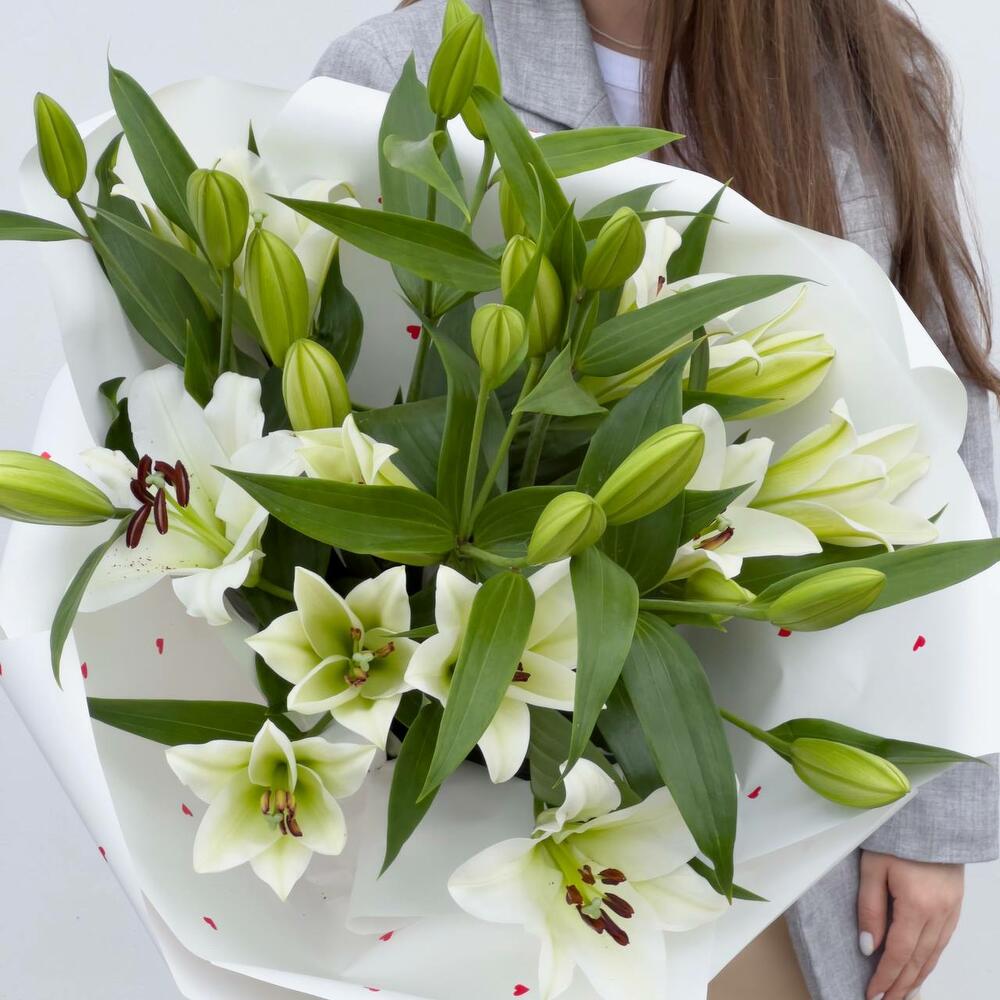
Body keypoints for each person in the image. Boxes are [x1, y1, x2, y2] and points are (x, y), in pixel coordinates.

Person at [313, 2, 1000, 998]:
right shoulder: (395, 72)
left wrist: (932, 812)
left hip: (780, 813)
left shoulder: (863, 65)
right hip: (484, 814)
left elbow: (953, 443)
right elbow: (317, 431)